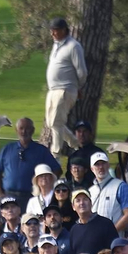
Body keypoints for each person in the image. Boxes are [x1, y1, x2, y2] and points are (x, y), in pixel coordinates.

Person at [44, 17, 87, 157]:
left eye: (55, 31)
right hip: (53, 90)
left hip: (65, 89)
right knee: (51, 123)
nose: (52, 34)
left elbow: (82, 72)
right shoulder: (56, 45)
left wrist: (77, 87)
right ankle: (75, 143)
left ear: (63, 30)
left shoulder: (74, 46)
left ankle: (55, 155)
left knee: (57, 122)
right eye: (51, 31)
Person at [0, 117, 61, 202]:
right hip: (8, 196)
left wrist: (46, 189)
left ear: (32, 130)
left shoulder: (41, 150)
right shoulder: (8, 149)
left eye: (27, 128)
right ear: (16, 130)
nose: (24, 132)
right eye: (21, 128)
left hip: (31, 196)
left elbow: (57, 170)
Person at [85, 151, 128, 236]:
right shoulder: (90, 191)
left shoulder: (121, 186)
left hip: (114, 239)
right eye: (97, 164)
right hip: (93, 237)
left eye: (103, 163)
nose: (101, 167)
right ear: (92, 168)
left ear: (108, 165)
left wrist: (111, 232)